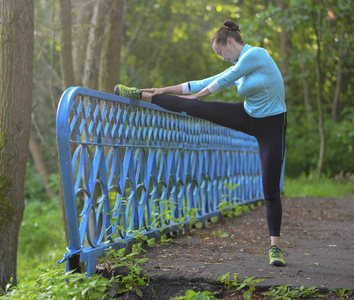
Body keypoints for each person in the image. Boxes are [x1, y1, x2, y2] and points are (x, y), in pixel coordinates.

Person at [114, 20, 287, 267]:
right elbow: (202, 82)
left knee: (270, 189)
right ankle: (143, 95)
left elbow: (222, 82)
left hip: (272, 125)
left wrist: (196, 96)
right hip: (248, 116)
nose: (221, 58)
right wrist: (164, 89)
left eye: (220, 53)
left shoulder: (256, 54)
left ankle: (275, 249)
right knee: (195, 108)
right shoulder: (238, 62)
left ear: (230, 42)